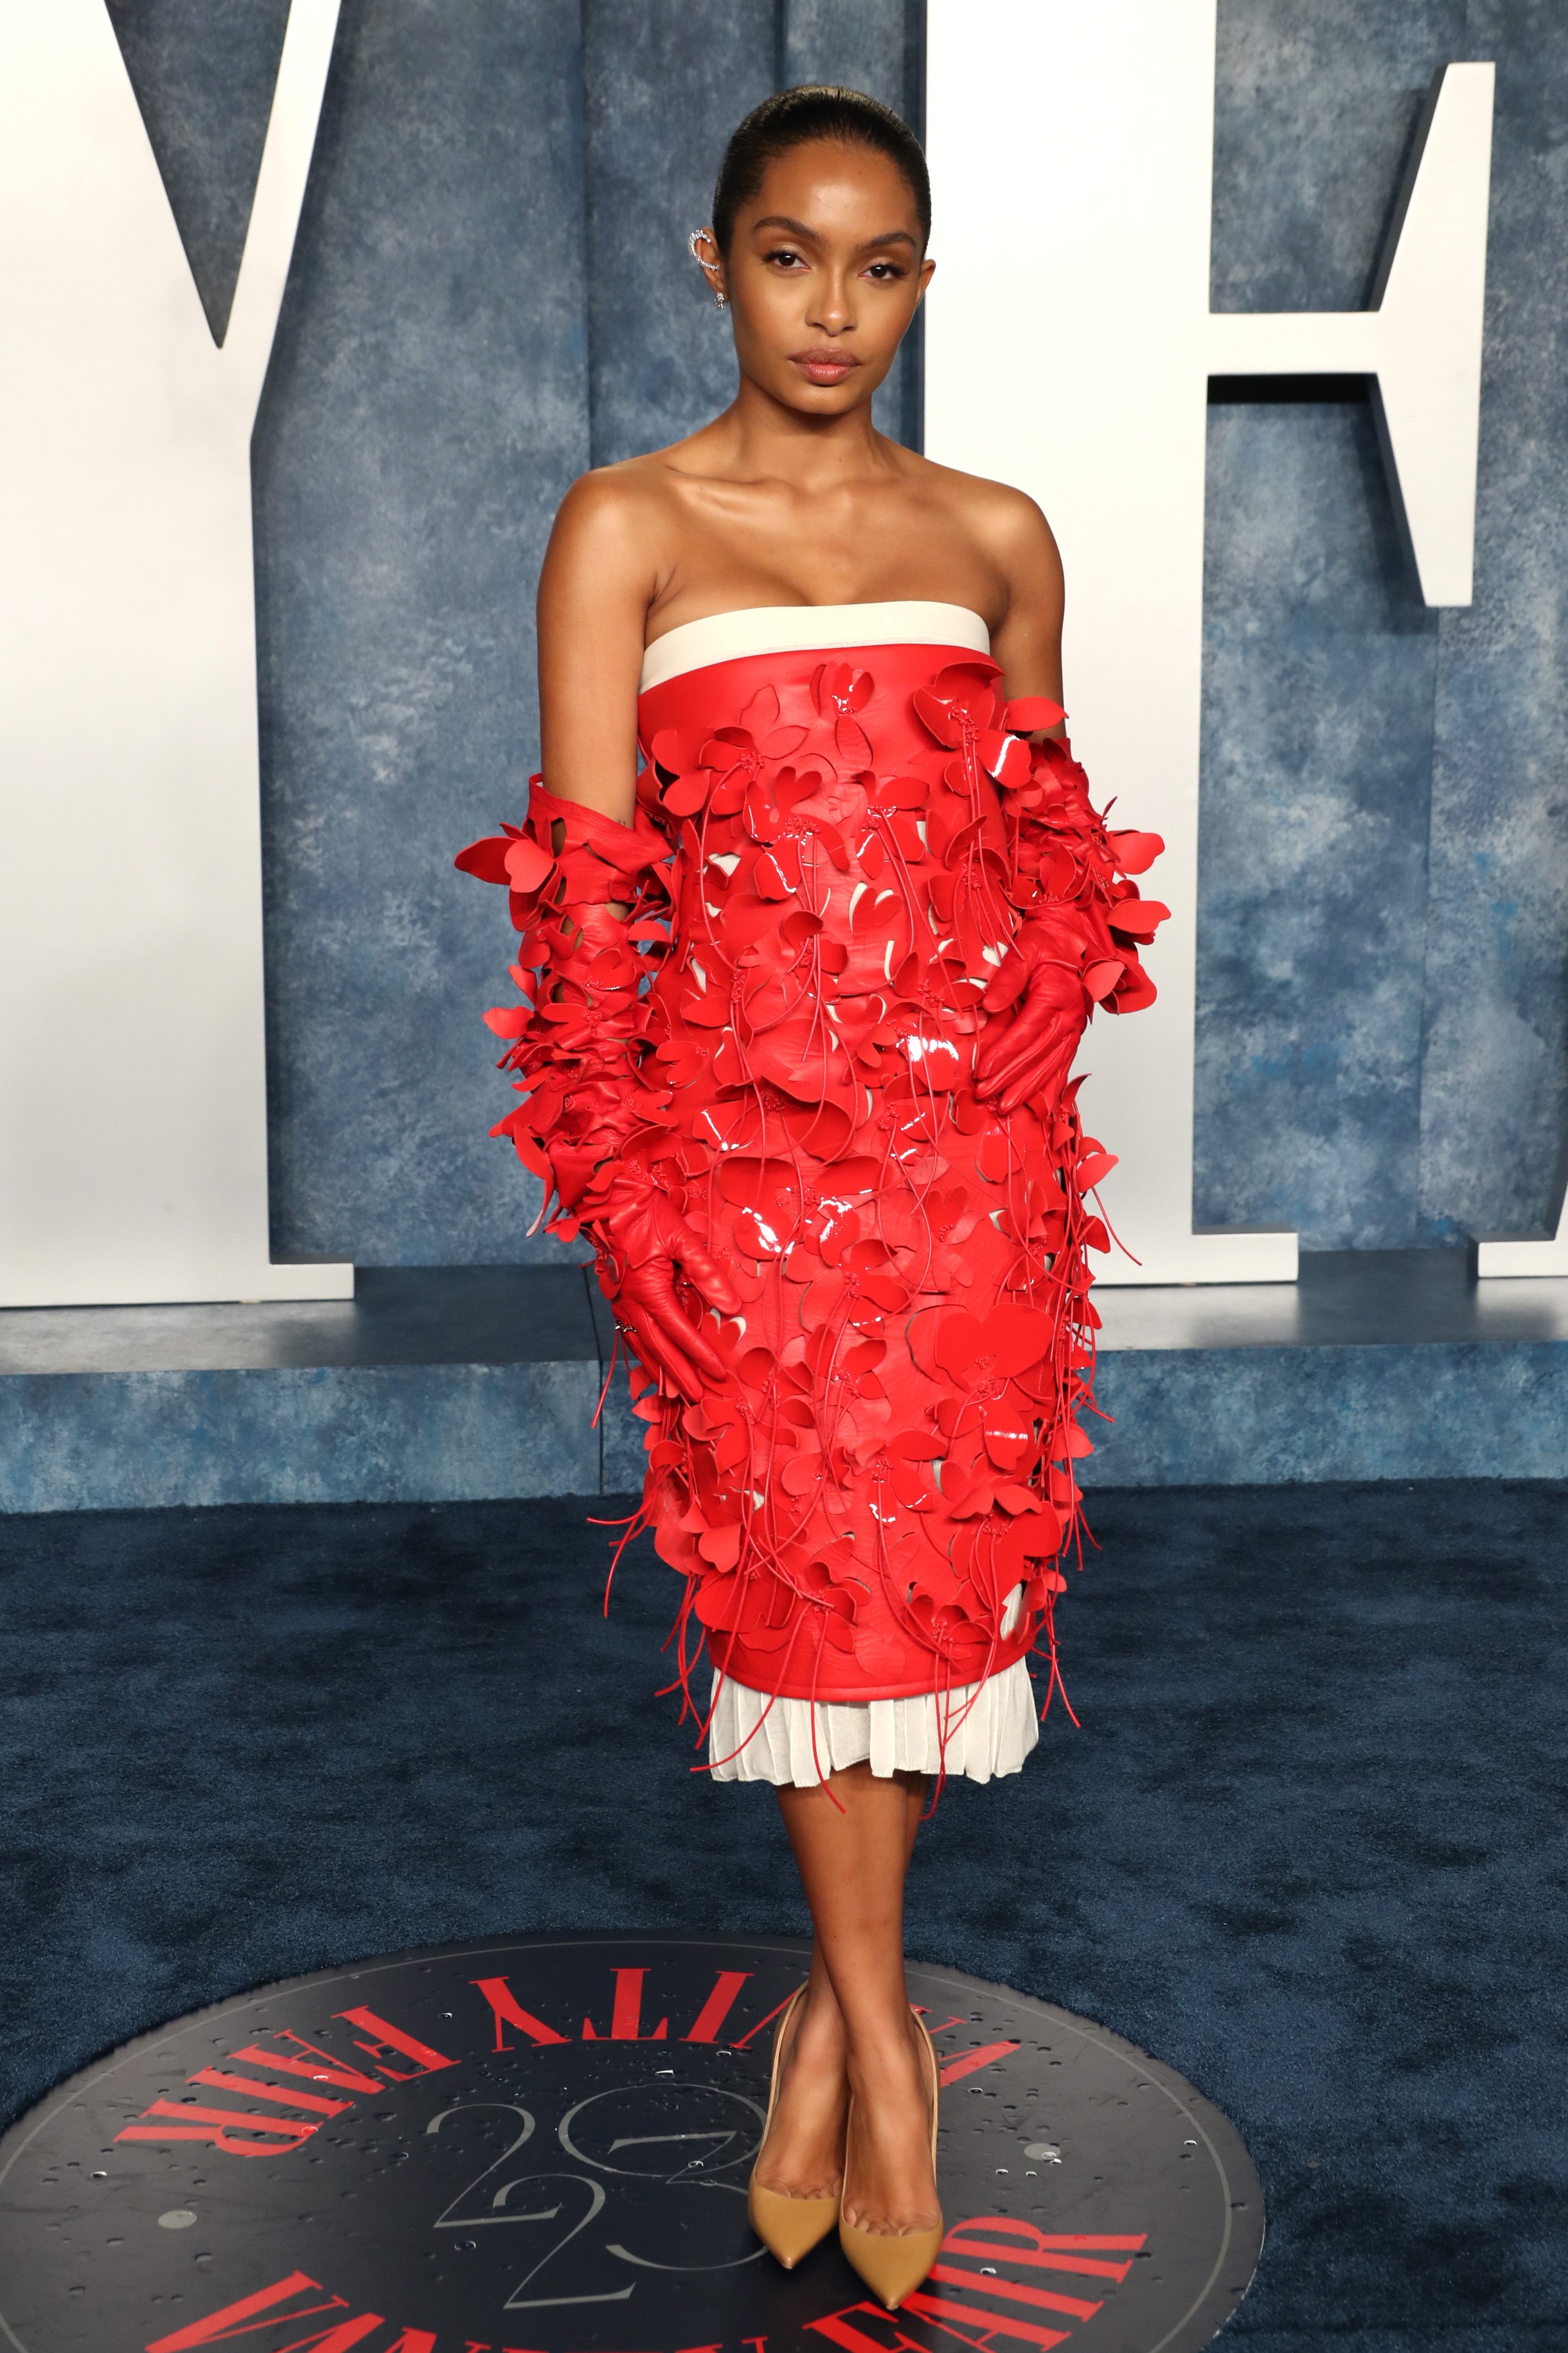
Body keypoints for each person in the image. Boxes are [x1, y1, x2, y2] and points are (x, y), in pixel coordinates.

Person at [458, 86, 1164, 2311]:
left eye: (875, 264)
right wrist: (630, 1197)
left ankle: (825, 2028)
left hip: (967, 1178)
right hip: (740, 1184)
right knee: (796, 1605)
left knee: (926, 1610)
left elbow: (1048, 869)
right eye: (788, 256)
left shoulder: (996, 537)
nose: (832, 306)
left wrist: (1022, 1097)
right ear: (715, 263)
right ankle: (886, 2043)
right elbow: (579, 916)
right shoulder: (628, 528)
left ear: (923, 280)